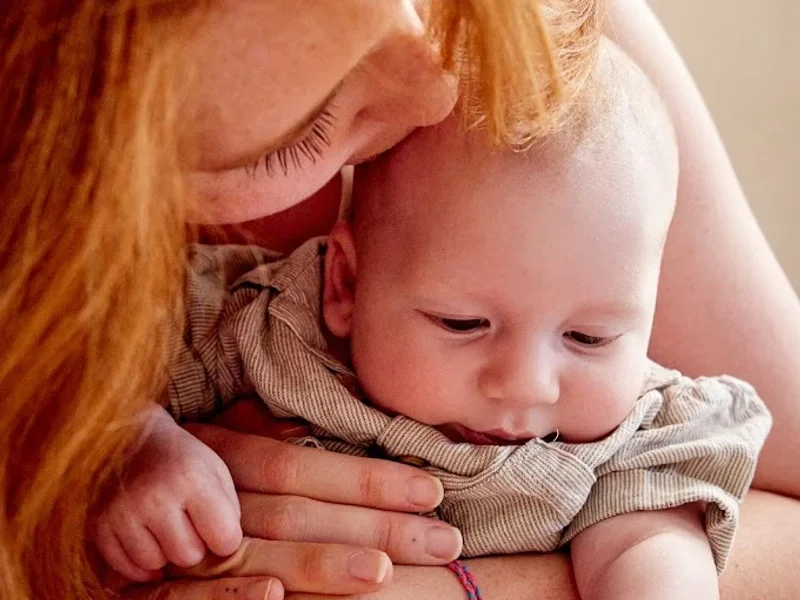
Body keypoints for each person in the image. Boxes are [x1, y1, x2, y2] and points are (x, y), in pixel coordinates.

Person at [2, 1, 800, 600]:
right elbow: (116, 394)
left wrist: (464, 588)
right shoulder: (264, 319)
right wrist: (121, 455)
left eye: (593, 336)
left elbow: (661, 521)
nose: (437, 86)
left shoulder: (629, 432)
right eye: (311, 127)